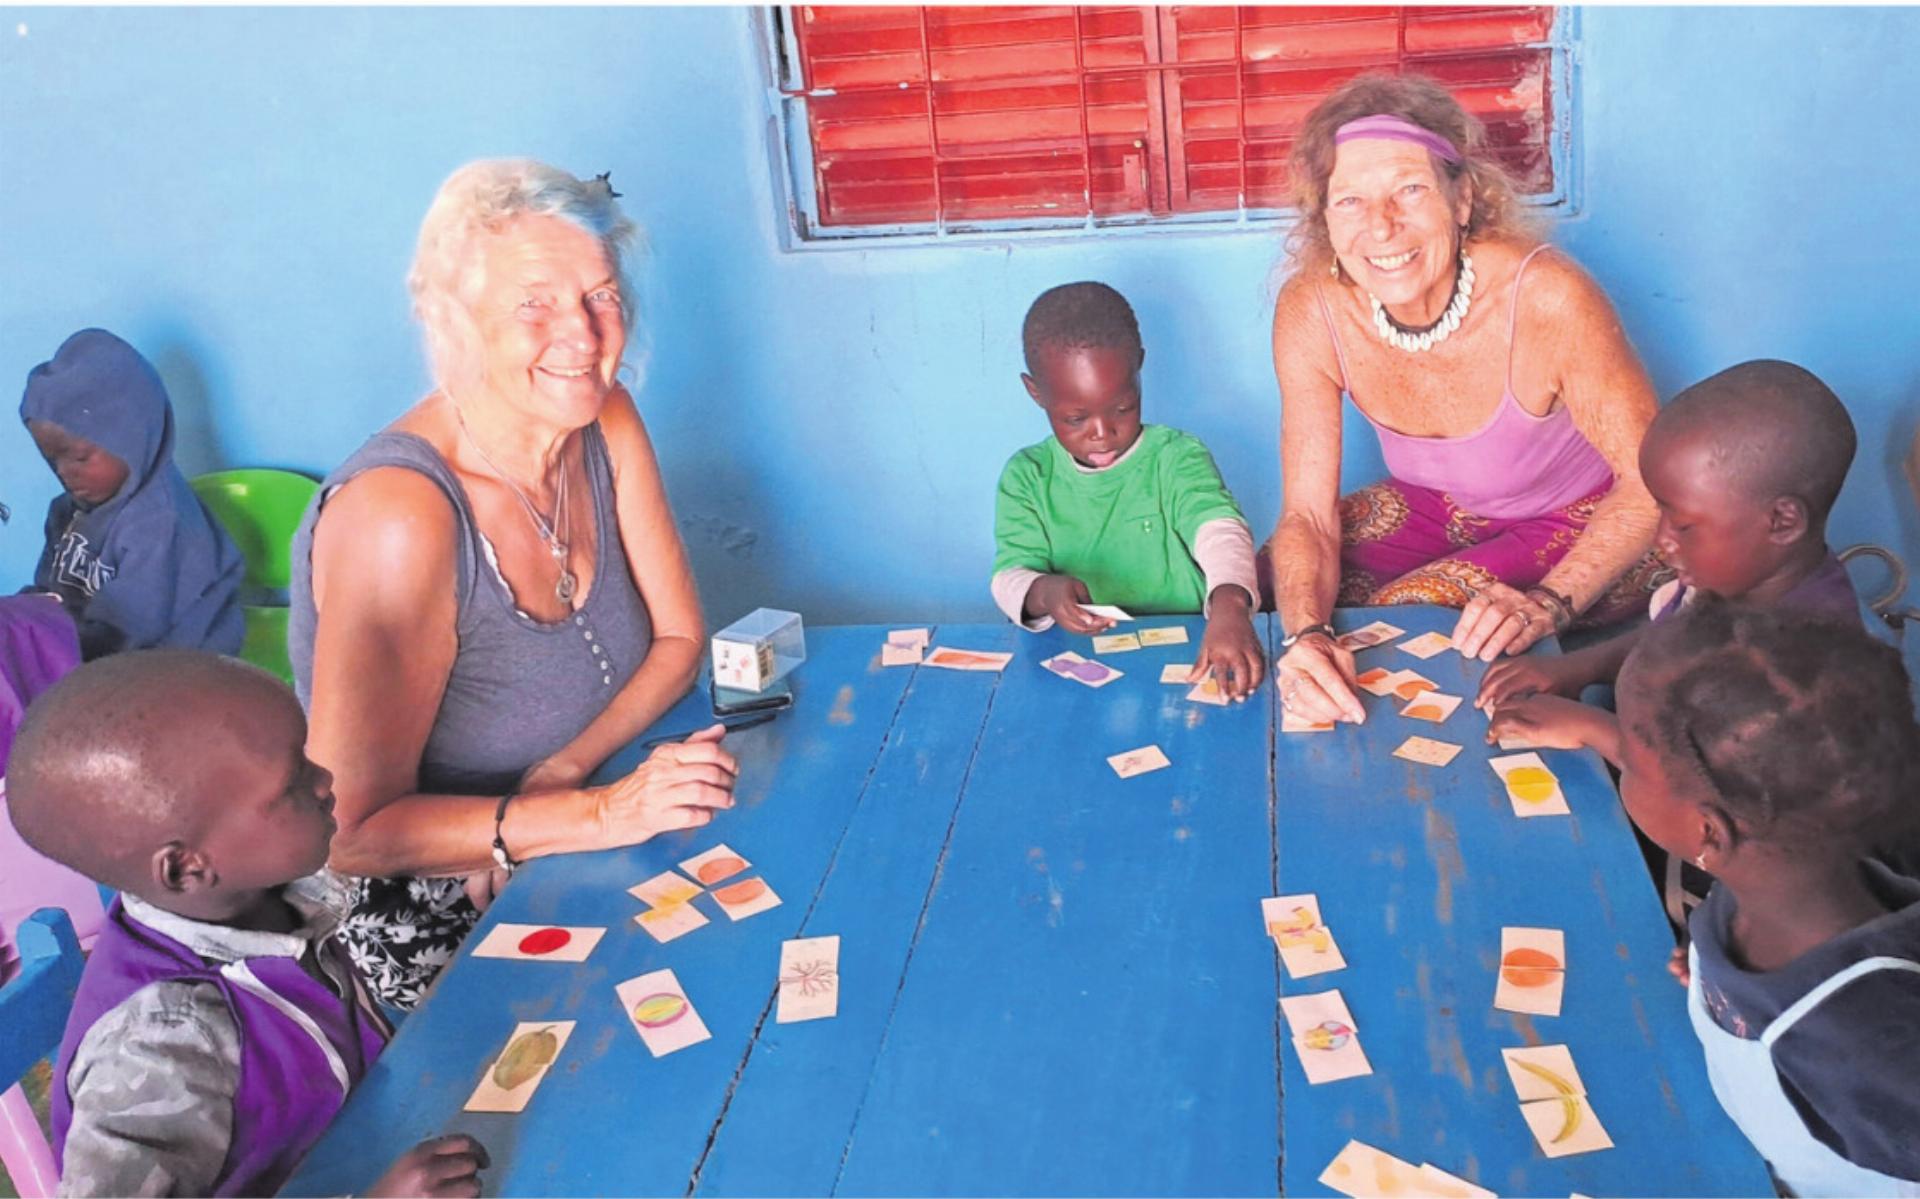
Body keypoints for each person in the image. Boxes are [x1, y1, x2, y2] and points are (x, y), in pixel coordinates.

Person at [289, 159, 737, 1009]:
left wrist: (562, 775)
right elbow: (349, 835)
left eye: (601, 295)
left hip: (586, 807)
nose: (582, 333)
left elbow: (681, 638)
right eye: (534, 303)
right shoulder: (401, 516)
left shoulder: (602, 415)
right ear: (451, 322)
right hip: (436, 900)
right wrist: (591, 817)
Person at [7, 650, 490, 1197]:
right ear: (187, 867)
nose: (325, 780)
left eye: (306, 757)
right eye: (291, 785)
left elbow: (371, 873)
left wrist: (463, 862)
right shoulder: (163, 1045)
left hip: (371, 1138)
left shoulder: (266, 894)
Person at [1266, 74, 1669, 726]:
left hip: (1587, 518)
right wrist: (1305, 637)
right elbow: (1307, 518)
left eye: (1411, 189)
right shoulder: (1313, 308)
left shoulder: (1546, 297)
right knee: (1278, 587)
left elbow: (1651, 484)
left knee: (1402, 618)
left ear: (1463, 198)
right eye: (1350, 201)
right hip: (1450, 509)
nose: (1382, 226)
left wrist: (1549, 601)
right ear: (1325, 220)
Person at [1613, 605, 1920, 1196]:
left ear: (1708, 832)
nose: (1622, 768)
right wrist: (1714, 963)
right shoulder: (1768, 887)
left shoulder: (1874, 1045)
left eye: (1629, 760)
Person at [1480, 360, 1862, 759]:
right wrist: (1579, 667)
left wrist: (1593, 729)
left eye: (1683, 525)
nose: (1662, 540)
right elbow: (1672, 637)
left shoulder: (1798, 675)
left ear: (1782, 522)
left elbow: (1709, 801)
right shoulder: (1736, 577)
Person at [991, 282, 1264, 697]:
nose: (1103, 434)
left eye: (1122, 408)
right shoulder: (1027, 476)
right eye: (1075, 419)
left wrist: (1230, 606)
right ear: (1036, 393)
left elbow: (1219, 529)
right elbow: (1008, 575)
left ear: (1139, 367)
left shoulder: (1176, 456)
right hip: (1080, 664)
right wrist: (1043, 592)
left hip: (1195, 648)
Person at [18, 328, 244, 660]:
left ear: (131, 437)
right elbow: (47, 594)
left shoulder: (162, 525)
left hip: (175, 670)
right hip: (91, 654)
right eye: (53, 459)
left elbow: (125, 632)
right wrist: (22, 623)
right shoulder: (68, 512)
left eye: (80, 457)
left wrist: (43, 650)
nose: (65, 472)